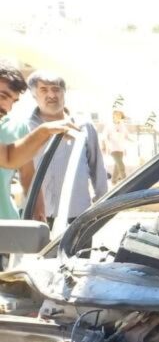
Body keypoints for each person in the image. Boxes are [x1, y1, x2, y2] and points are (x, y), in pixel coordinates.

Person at [26, 70, 108, 228]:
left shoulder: (83, 126)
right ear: (34, 95)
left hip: (78, 214)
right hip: (37, 216)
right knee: (41, 254)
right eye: (44, 89)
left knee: (80, 254)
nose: (51, 95)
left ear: (64, 92)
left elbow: (97, 167)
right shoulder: (25, 128)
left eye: (56, 89)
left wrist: (102, 204)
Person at [0, 61, 74, 221]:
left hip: (6, 230)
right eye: (2, 96)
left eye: (12, 101)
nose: (6, 107)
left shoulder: (16, 127)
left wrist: (45, 130)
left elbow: (9, 158)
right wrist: (44, 131)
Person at [103, 109, 131, 184]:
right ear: (113, 116)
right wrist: (107, 147)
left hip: (121, 149)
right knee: (121, 166)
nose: (118, 117)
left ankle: (113, 181)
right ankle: (126, 182)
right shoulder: (109, 125)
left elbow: (126, 136)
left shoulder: (123, 125)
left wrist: (135, 142)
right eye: (117, 115)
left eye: (120, 115)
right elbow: (105, 137)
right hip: (113, 149)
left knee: (117, 166)